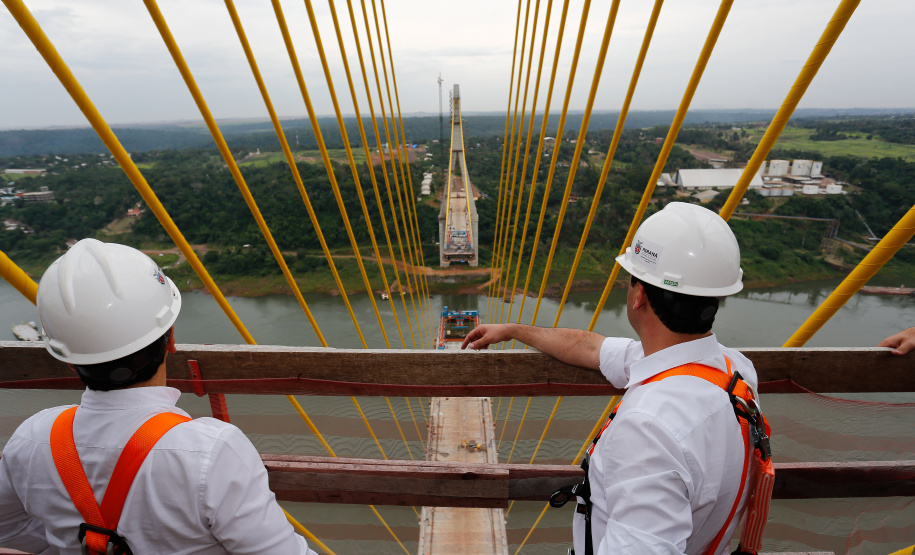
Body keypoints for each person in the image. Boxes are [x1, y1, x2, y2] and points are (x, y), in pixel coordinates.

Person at [463, 203, 766, 555]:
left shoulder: (649, 429)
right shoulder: (733, 371)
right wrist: (515, 330)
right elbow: (590, 347)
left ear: (639, 295)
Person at [0, 239, 317, 554]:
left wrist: (68, 540)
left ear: (69, 361)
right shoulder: (211, 452)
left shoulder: (32, 439)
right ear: (171, 339)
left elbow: (8, 530)